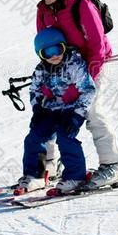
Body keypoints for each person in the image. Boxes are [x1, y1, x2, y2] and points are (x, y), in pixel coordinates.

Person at [32, 0, 118, 189]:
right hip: (62, 67)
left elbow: (97, 46)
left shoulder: (82, 5)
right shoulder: (43, 9)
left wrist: (85, 80)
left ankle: (112, 165)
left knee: (91, 112)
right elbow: (43, 43)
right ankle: (50, 164)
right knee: (51, 109)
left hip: (93, 65)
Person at [17, 27, 96, 194]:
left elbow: (88, 90)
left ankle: (76, 176)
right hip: (49, 110)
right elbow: (34, 90)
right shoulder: (41, 69)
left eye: (57, 49)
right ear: (40, 54)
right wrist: (38, 108)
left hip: (71, 110)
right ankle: (34, 175)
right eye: (48, 52)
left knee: (65, 137)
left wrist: (77, 115)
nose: (54, 55)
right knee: (33, 138)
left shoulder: (75, 64)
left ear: (64, 46)